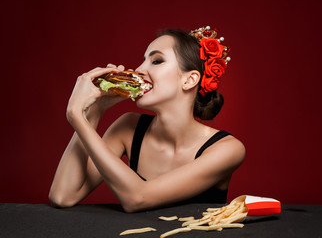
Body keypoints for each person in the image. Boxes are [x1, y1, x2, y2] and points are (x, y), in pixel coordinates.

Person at [49, 27, 246, 213]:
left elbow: (137, 198)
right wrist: (96, 110)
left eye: (156, 61)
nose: (139, 69)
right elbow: (62, 196)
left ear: (189, 80)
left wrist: (76, 115)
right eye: (143, 60)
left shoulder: (228, 149)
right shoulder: (128, 127)